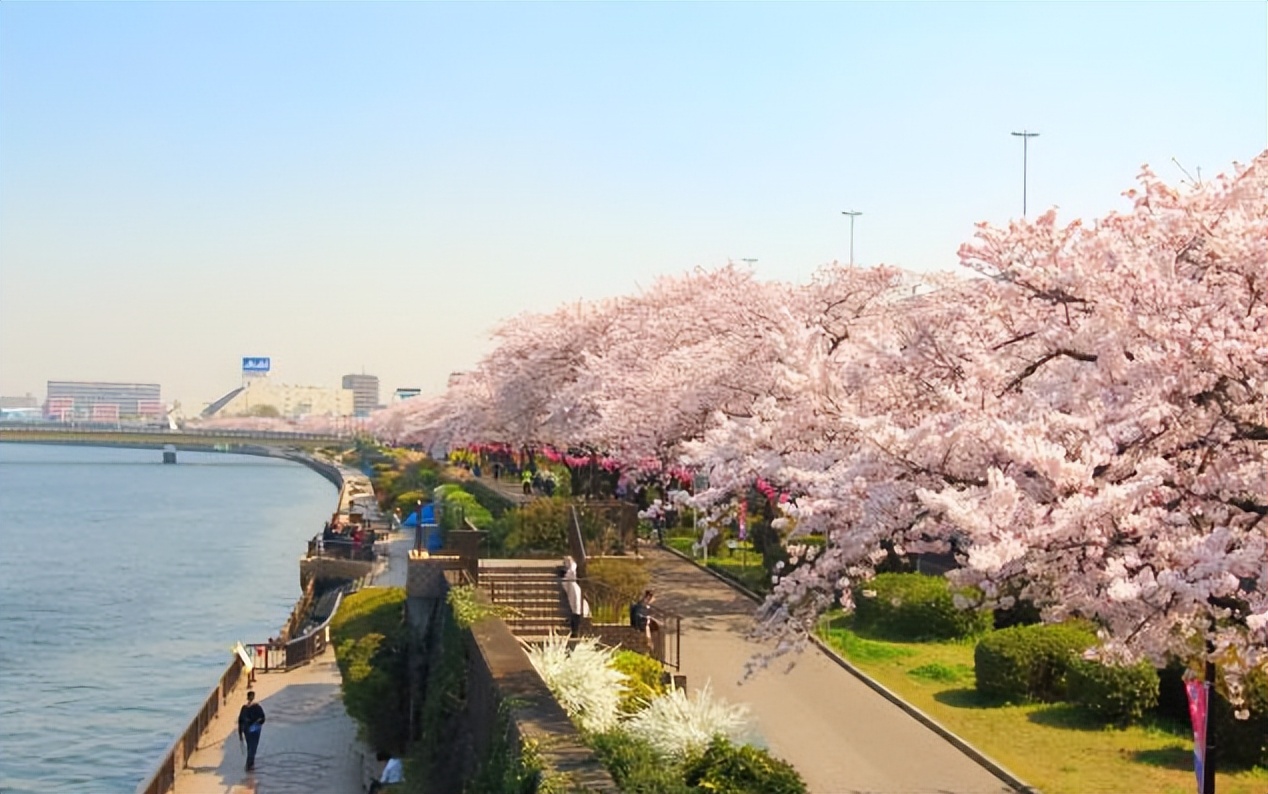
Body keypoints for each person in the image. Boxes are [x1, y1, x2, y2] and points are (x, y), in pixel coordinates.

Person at [560, 555, 589, 636]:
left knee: (576, 607)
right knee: (575, 608)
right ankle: (574, 629)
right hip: (572, 593)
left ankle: (575, 630)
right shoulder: (569, 575)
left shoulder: (571, 571)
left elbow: (571, 572)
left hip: (573, 592)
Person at [237, 690, 266, 772]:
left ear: (247, 697)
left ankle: (250, 763)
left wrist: (240, 733)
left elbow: (240, 721)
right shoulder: (257, 707)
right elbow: (262, 718)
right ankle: (249, 764)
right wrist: (257, 723)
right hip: (255, 730)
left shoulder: (244, 708)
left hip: (246, 730)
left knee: (250, 746)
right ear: (253, 697)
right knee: (253, 746)